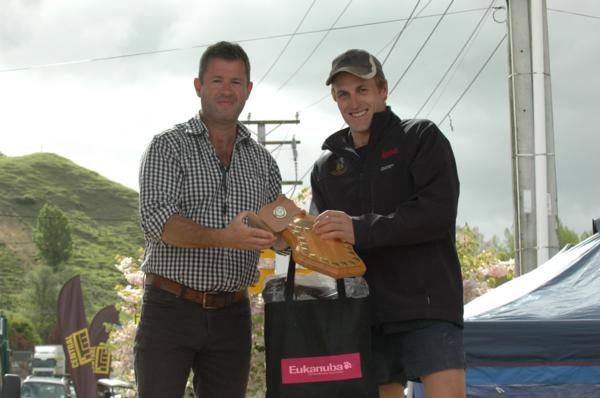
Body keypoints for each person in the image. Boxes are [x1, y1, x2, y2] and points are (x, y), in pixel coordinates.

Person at [310, 49, 465, 398]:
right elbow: (323, 240)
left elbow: (436, 215)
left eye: (362, 89)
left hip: (426, 306)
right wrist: (289, 238)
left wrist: (360, 228)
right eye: (343, 94)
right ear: (335, 100)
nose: (354, 101)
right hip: (363, 314)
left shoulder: (421, 137)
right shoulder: (325, 165)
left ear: (383, 90)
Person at [135, 41, 282, 398]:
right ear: (199, 86)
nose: (227, 90)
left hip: (233, 314)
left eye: (236, 81)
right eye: (217, 80)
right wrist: (223, 237)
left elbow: (278, 223)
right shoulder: (167, 146)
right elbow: (157, 221)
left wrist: (303, 230)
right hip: (170, 309)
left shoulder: (264, 162)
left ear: (248, 90)